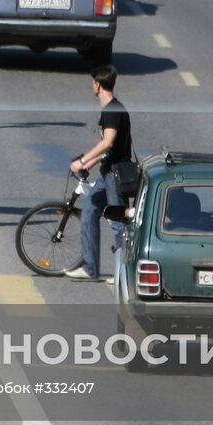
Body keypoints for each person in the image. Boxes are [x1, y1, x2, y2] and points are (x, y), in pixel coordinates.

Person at [65, 64, 132, 281]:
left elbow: (108, 142)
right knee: (89, 213)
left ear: (98, 84)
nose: (92, 86)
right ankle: (90, 268)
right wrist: (89, 164)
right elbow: (106, 147)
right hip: (106, 174)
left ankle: (126, 274)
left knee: (119, 224)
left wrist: (83, 160)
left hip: (115, 176)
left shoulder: (113, 110)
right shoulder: (110, 110)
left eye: (93, 83)